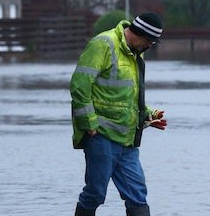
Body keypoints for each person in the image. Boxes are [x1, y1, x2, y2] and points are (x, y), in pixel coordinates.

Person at [70, 12, 167, 216]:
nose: (150, 46)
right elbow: (80, 86)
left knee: (137, 195)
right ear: (141, 34)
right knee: (95, 193)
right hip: (100, 135)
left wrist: (147, 114)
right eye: (150, 41)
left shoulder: (136, 54)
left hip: (128, 141)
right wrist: (89, 124)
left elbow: (126, 97)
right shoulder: (103, 45)